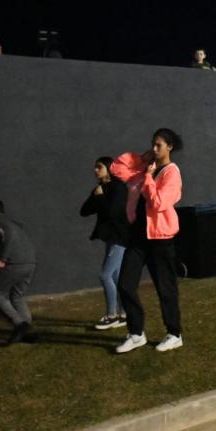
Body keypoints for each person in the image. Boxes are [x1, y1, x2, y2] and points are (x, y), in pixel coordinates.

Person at [110, 128, 185, 353]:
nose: (154, 149)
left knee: (165, 288)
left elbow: (159, 203)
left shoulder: (172, 173)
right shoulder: (146, 166)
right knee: (125, 283)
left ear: (169, 147)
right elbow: (116, 168)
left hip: (161, 238)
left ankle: (174, 333)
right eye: (152, 144)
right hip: (139, 236)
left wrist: (149, 178)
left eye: (158, 145)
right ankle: (136, 333)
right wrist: (142, 160)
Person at [80, 156, 130, 329]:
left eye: (99, 167)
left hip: (120, 237)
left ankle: (112, 315)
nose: (95, 170)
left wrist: (100, 198)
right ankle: (125, 314)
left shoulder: (119, 187)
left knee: (105, 275)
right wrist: (96, 196)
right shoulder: (101, 188)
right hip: (111, 238)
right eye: (94, 167)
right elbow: (84, 211)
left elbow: (113, 212)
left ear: (109, 168)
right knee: (116, 276)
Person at [0, 199, 37, 345]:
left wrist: (3, 258)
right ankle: (28, 333)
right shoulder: (11, 222)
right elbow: (17, 232)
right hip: (30, 263)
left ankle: (20, 325)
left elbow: (10, 236)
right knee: (17, 296)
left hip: (15, 263)